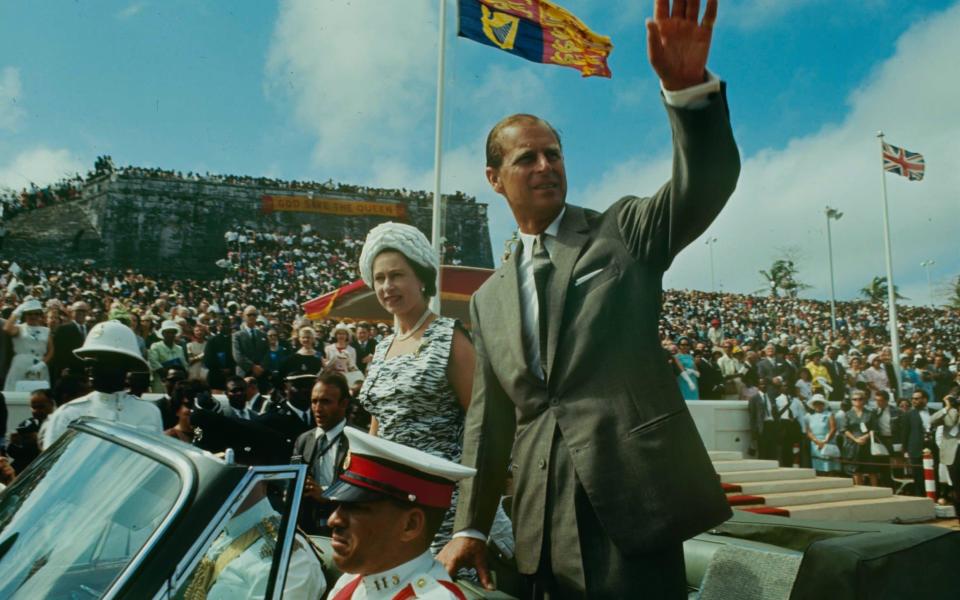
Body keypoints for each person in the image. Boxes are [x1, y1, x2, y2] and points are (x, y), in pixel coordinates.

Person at [441, 2, 739, 595]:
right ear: (494, 178)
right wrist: (470, 524)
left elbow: (702, 183)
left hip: (633, 507)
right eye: (527, 157)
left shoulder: (622, 231)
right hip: (538, 523)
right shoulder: (489, 299)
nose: (546, 165)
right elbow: (490, 423)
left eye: (554, 153)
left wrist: (689, 95)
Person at [356, 221, 512, 558]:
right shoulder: (381, 349)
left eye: (397, 275)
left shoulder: (450, 337)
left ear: (422, 278)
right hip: (390, 502)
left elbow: (484, 423)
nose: (387, 286)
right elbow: (376, 427)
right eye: (380, 278)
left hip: (444, 504)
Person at [323, 428, 475, 600]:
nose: (333, 520)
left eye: (356, 507)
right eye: (339, 506)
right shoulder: (352, 582)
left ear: (410, 525)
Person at [42, 320, 163, 448]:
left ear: (125, 365)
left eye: (100, 361)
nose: (90, 368)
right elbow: (54, 466)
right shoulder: (68, 414)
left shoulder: (148, 413)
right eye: (89, 361)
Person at [292, 372, 351, 535]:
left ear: (344, 403)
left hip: (344, 529)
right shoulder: (303, 440)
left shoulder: (358, 442)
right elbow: (292, 482)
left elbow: (363, 495)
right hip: (307, 530)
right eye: (314, 401)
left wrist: (327, 496)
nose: (317, 409)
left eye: (325, 402)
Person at [2, 299, 52, 392]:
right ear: (25, 315)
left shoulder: (46, 330)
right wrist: (18, 311)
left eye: (36, 314)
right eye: (30, 313)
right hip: (20, 365)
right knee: (16, 395)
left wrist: (42, 364)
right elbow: (7, 328)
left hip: (39, 366)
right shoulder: (19, 328)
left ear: (40, 315)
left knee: (39, 395)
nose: (33, 316)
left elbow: (51, 351)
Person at [902, 389, 936, 497]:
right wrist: (905, 450)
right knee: (918, 475)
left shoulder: (934, 412)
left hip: (933, 447)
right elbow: (905, 433)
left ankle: (936, 497)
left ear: (925, 399)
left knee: (934, 474)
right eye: (912, 399)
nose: (913, 401)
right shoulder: (908, 415)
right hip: (915, 449)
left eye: (916, 398)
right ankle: (921, 497)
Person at [843, 390, 880, 486]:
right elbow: (845, 429)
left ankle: (875, 491)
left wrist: (866, 437)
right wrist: (855, 439)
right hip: (853, 444)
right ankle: (859, 490)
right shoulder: (848, 414)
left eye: (860, 399)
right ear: (851, 401)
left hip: (867, 444)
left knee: (872, 470)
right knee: (856, 470)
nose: (857, 401)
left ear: (864, 400)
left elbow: (874, 428)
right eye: (854, 399)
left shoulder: (870, 413)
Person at [48, 300, 89, 385]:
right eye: (78, 310)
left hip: (87, 371)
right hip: (69, 372)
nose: (81, 313)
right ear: (71, 312)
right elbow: (58, 352)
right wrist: (62, 368)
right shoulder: (63, 329)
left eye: (84, 311)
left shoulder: (91, 329)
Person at [931, 392, 960, 509]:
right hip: (952, 455)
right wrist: (947, 407)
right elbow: (932, 420)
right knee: (957, 486)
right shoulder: (949, 415)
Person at [147, 320, 188, 393]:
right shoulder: (156, 346)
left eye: (173, 332)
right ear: (163, 334)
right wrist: (165, 373)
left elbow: (184, 364)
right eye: (168, 332)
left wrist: (184, 372)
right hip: (160, 379)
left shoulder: (179, 348)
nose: (170, 335)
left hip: (176, 380)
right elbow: (153, 362)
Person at [805, 394, 839, 474]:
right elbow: (808, 431)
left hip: (827, 442)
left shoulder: (829, 414)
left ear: (823, 404)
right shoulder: (809, 416)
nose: (818, 405)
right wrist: (816, 441)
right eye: (815, 403)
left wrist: (825, 441)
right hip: (815, 444)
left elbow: (833, 428)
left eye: (820, 403)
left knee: (829, 468)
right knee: (817, 468)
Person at [232, 305, 269, 380]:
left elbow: (267, 353)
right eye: (249, 315)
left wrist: (261, 367)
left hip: (260, 373)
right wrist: (253, 367)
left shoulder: (262, 335)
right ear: (243, 316)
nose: (252, 317)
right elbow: (238, 356)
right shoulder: (237, 336)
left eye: (254, 315)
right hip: (244, 373)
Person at [748, 378, 780, 460]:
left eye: (765, 384)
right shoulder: (754, 398)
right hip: (762, 426)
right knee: (763, 449)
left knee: (772, 449)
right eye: (761, 384)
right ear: (758, 386)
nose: (764, 386)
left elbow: (775, 412)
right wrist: (753, 432)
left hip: (772, 425)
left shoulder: (771, 396)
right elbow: (752, 416)